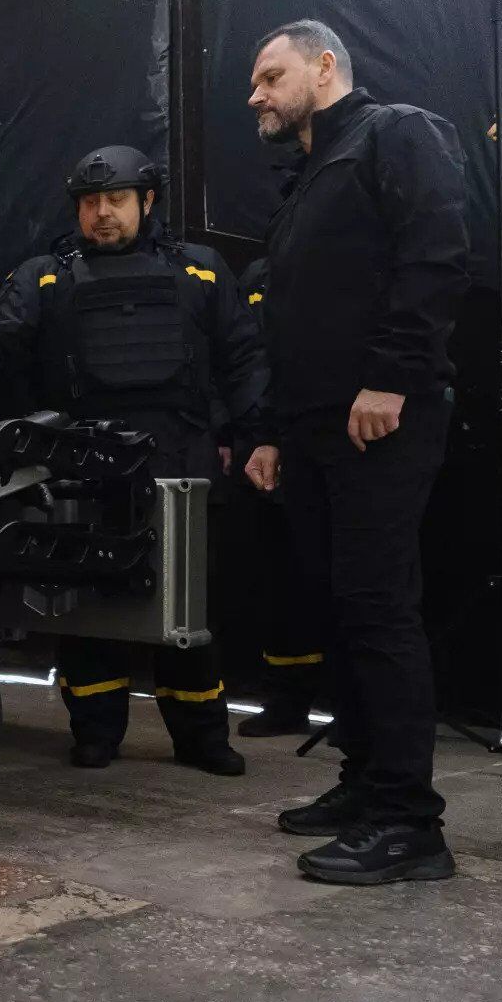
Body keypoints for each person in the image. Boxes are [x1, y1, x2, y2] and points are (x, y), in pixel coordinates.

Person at [0, 146, 275, 777]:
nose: (102, 214)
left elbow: (244, 358)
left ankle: (202, 737)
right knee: (85, 606)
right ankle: (95, 732)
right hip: (85, 465)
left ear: (147, 201)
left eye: (116, 200)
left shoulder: (200, 270)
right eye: (90, 203)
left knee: (187, 607)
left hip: (180, 463)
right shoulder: (46, 275)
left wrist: (260, 438)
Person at [242, 19, 470, 884]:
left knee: (377, 607)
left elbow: (434, 257)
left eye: (271, 76)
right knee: (338, 606)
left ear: (325, 64)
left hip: (379, 417)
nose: (256, 95)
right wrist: (271, 428)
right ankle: (366, 780)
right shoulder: (306, 178)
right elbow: (288, 321)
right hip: (312, 428)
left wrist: (392, 379)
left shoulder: (396, 132)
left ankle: (410, 824)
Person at [232, 256, 326, 737]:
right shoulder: (258, 276)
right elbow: (243, 358)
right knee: (281, 578)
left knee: (348, 579)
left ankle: (358, 707)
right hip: (269, 438)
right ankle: (288, 701)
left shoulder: (357, 261)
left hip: (340, 437)